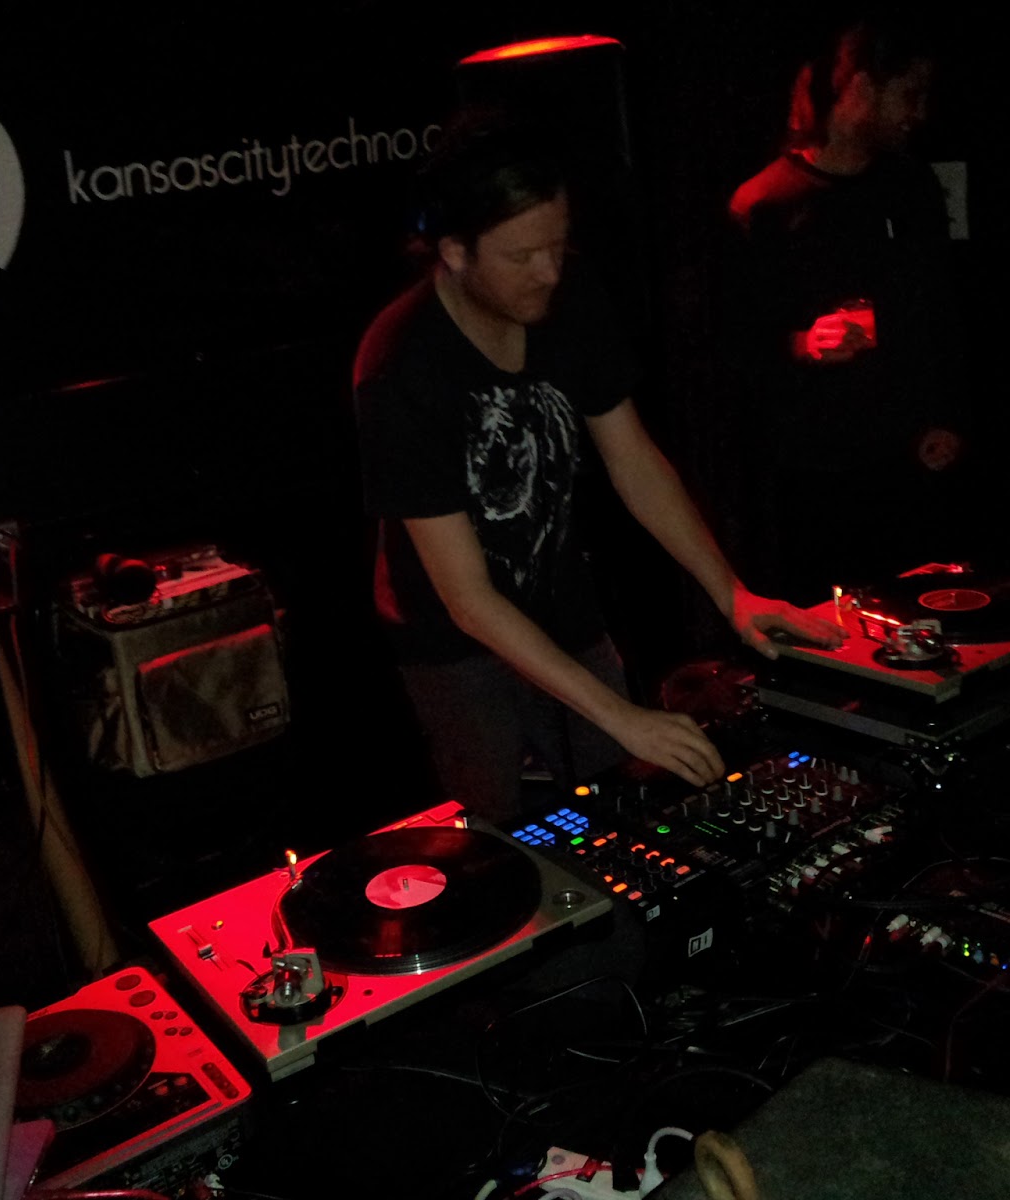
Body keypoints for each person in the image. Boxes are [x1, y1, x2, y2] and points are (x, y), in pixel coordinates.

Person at [354, 111, 841, 824]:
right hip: (449, 639)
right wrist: (622, 715)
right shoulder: (399, 365)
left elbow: (634, 460)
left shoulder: (571, 295)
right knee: (499, 831)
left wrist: (732, 594)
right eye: (523, 256)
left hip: (559, 600)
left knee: (624, 800)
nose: (549, 272)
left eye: (557, 245)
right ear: (454, 251)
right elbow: (467, 598)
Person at [719, 13, 967, 604]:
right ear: (861, 88)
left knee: (924, 620)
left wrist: (949, 417)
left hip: (911, 463)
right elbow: (732, 346)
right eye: (909, 94)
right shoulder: (764, 204)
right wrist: (805, 343)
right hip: (814, 477)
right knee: (832, 630)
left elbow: (946, 313)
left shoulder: (912, 188)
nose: (919, 112)